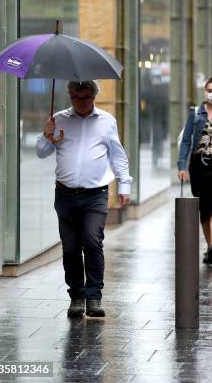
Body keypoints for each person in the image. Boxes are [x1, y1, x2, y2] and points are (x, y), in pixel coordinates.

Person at [35, 81, 132, 318]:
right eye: (77, 97)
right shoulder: (58, 119)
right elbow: (41, 152)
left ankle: (94, 296)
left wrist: (124, 184)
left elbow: (118, 156)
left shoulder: (107, 121)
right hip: (65, 194)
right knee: (70, 248)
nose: (82, 102)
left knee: (91, 240)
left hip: (95, 195)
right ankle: (77, 296)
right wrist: (47, 136)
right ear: (70, 97)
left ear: (94, 96)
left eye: (86, 97)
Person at [177, 77, 212, 265]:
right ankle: (210, 246)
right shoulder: (195, 113)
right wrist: (181, 166)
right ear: (204, 91)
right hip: (198, 165)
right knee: (203, 207)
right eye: (209, 90)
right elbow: (186, 141)